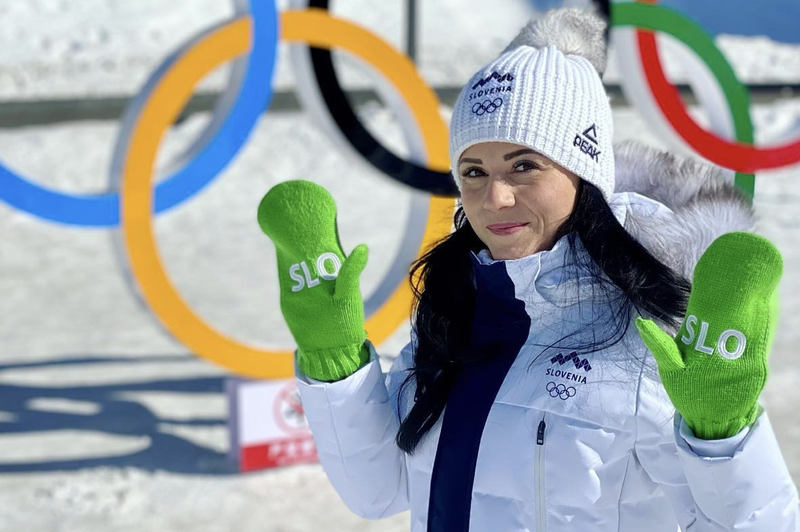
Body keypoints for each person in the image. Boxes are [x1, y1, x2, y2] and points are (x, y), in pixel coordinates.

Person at [257, 8, 800, 532]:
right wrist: (333, 356)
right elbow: (378, 490)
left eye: (524, 165)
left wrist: (722, 438)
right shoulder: (457, 298)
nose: (494, 197)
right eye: (474, 171)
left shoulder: (650, 324)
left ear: (583, 170)